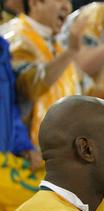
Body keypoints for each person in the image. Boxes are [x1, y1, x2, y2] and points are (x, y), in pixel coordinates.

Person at [2, 0, 83, 147]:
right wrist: (71, 52)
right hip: (25, 157)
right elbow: (30, 87)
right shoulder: (15, 37)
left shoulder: (56, 45)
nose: (67, 6)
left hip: (58, 156)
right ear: (34, 3)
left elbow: (77, 95)